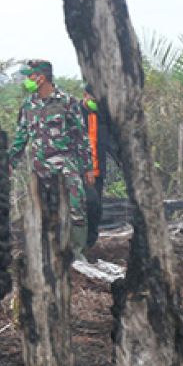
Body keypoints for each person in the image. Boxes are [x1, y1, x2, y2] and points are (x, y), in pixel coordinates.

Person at [9, 60, 95, 259]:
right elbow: (21, 136)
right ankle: (44, 253)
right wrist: (11, 162)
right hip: (39, 167)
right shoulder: (29, 105)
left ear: (41, 77)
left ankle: (77, 252)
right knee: (42, 212)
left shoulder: (66, 102)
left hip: (65, 165)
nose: (27, 81)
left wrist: (87, 167)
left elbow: (80, 136)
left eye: (30, 76)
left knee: (77, 206)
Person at [81, 83, 105, 249]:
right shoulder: (75, 113)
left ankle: (90, 243)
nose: (94, 102)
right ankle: (80, 244)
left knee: (96, 209)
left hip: (98, 170)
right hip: (80, 171)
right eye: (92, 98)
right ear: (85, 95)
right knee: (89, 203)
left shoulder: (102, 116)